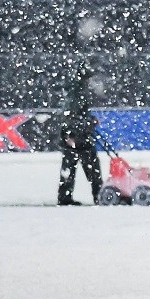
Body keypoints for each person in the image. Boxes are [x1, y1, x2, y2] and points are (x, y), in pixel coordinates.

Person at [58, 62, 103, 205]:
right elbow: (72, 116)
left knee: (70, 168)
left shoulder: (76, 90)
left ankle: (65, 197)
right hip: (78, 137)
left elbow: (74, 115)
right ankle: (99, 196)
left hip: (74, 136)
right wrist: (87, 124)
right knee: (92, 168)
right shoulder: (78, 93)